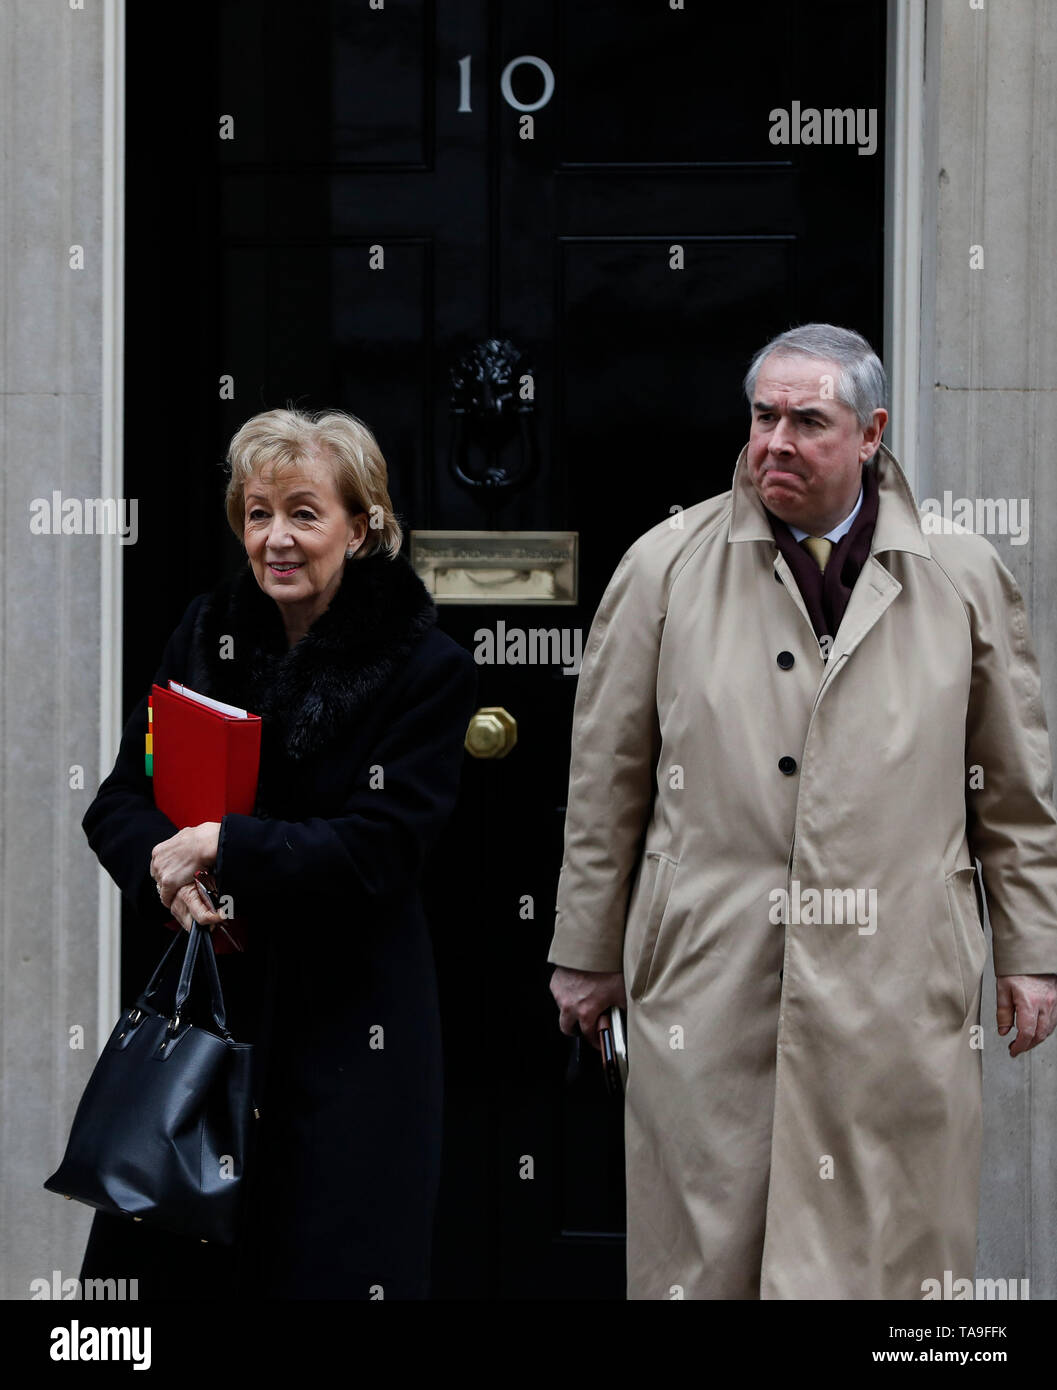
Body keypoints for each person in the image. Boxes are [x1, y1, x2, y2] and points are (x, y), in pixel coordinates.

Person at [548, 324, 1057, 1300]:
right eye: (762, 416)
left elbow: (1015, 788)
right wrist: (586, 945)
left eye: (806, 421)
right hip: (711, 971)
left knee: (893, 1256)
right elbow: (605, 775)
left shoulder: (959, 572)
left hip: (897, 979)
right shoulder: (666, 565)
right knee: (707, 1245)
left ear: (869, 432)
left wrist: (1029, 953)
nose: (774, 441)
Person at [79, 406, 477, 1299]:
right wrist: (165, 871)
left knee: (327, 1265)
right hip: (209, 1017)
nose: (277, 539)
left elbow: (381, 848)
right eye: (258, 514)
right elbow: (118, 802)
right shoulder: (203, 632)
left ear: (361, 526)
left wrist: (230, 845)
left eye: (304, 512)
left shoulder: (427, 668)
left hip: (349, 1028)